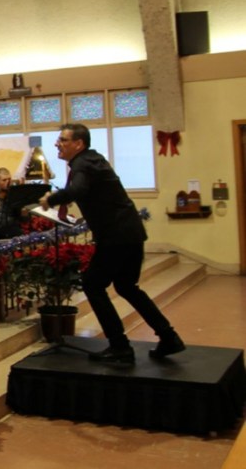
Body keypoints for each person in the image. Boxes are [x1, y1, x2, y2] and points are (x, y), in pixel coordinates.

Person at [40, 123, 185, 364]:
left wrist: (51, 199)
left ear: (79, 143)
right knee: (127, 287)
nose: (58, 144)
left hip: (116, 237)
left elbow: (78, 189)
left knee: (93, 285)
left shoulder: (82, 163)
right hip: (130, 233)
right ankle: (169, 337)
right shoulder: (93, 160)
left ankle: (119, 346)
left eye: (63, 140)